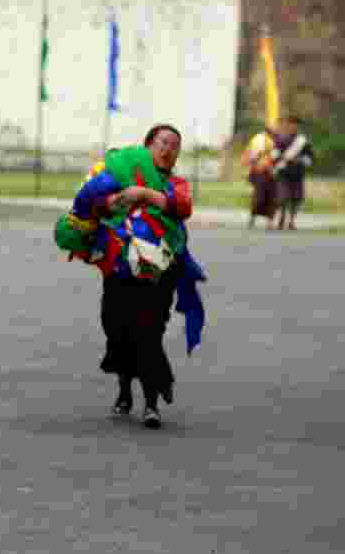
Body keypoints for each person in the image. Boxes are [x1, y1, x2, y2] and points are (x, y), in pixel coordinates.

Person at [54, 124, 206, 429]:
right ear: (147, 146)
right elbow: (94, 206)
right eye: (162, 142)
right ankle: (124, 393)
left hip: (159, 271)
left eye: (174, 145)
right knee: (116, 327)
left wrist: (144, 194)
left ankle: (151, 403)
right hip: (119, 268)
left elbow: (182, 207)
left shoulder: (175, 184)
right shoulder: (117, 175)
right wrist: (108, 203)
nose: (168, 149)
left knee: (148, 333)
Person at [272, 115, 314, 230]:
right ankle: (281, 218)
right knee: (282, 197)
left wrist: (300, 160)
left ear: (298, 126)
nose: (292, 127)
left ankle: (291, 221)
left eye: (295, 125)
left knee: (297, 198)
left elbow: (309, 157)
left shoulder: (304, 141)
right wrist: (281, 158)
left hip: (297, 173)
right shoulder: (281, 139)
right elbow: (274, 154)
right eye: (290, 124)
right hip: (283, 172)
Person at [243, 127, 279, 229]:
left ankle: (269, 222)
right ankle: (252, 218)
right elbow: (252, 156)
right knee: (259, 196)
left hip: (273, 173)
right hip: (260, 172)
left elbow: (278, 156)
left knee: (273, 198)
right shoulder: (258, 140)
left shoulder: (277, 140)